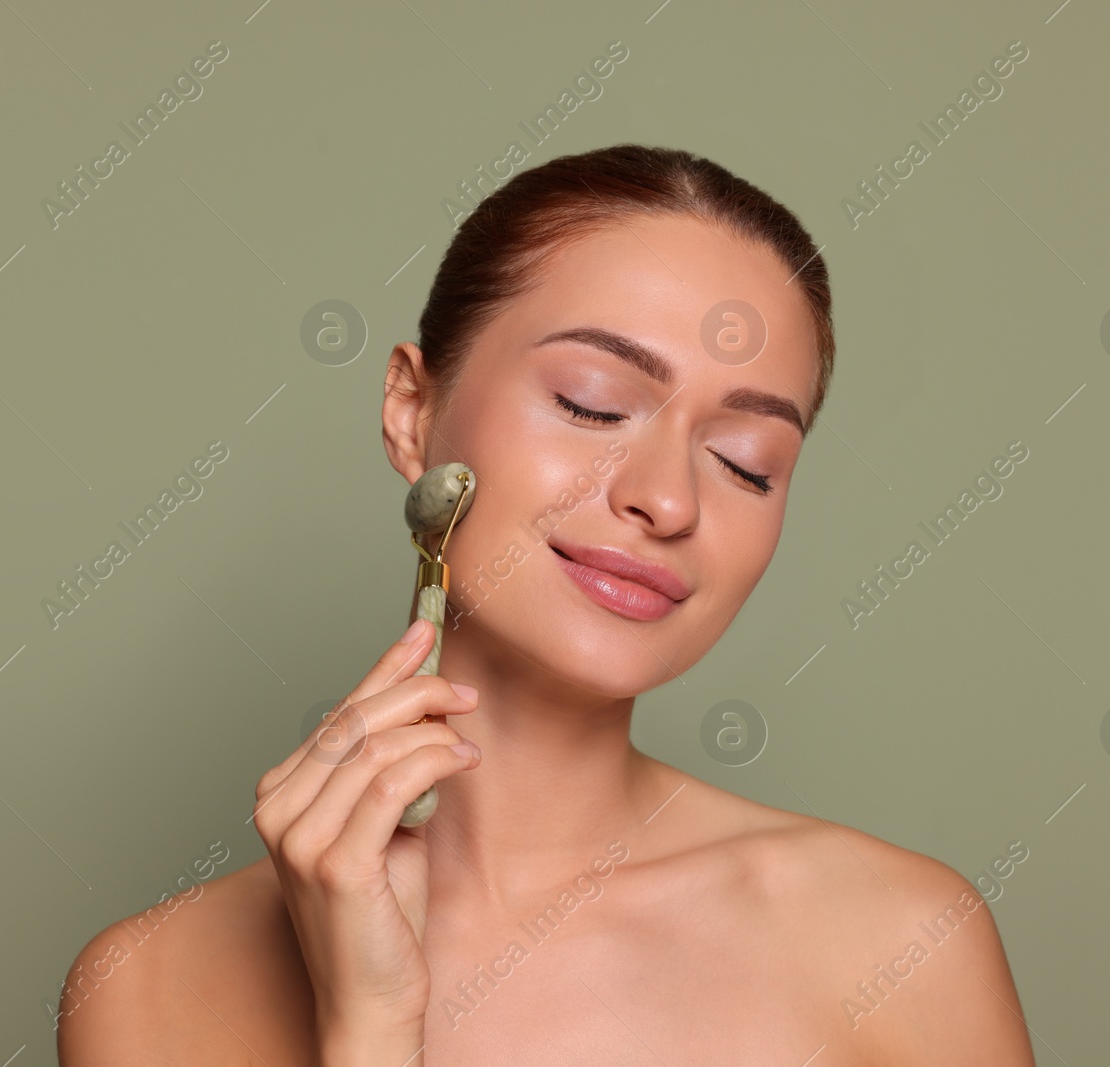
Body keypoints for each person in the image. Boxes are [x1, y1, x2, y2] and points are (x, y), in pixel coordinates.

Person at [57, 144, 1035, 1065]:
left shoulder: (898, 943)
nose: (668, 498)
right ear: (411, 410)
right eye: (592, 403)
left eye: (747, 462)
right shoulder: (149, 985)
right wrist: (369, 1025)